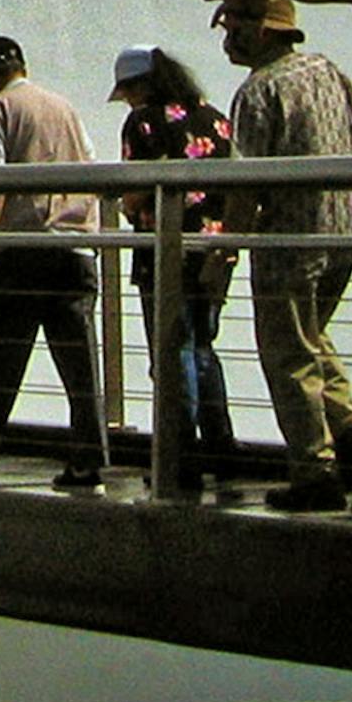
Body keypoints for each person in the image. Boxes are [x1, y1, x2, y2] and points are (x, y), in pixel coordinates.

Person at [207, 0, 352, 523]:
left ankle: (314, 470)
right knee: (312, 336)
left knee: (286, 353)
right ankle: (351, 432)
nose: (227, 40)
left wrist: (224, 251)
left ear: (260, 30)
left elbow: (244, 185)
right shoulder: (329, 70)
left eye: (232, 29)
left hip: (287, 242)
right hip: (342, 233)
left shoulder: (258, 92)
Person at [0, 36, 107, 489]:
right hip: (75, 247)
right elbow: (91, 166)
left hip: (24, 247)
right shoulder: (65, 108)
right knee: (79, 363)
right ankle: (90, 460)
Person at [108, 44, 235, 489]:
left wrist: (128, 205)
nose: (124, 99)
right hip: (215, 246)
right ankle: (222, 449)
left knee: (171, 348)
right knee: (203, 344)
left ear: (139, 86)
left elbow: (135, 190)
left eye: (125, 90)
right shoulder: (215, 117)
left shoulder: (142, 122)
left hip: (165, 248)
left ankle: (180, 454)